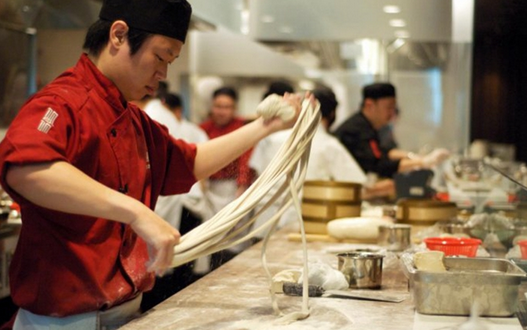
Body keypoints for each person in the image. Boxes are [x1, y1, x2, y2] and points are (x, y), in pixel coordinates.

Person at [0, 1, 305, 329]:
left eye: (170, 62)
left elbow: (190, 162)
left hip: (126, 311)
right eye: (160, 57)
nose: (163, 74)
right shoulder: (62, 102)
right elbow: (25, 169)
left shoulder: (134, 120)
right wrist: (136, 212)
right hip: (62, 321)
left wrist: (266, 127)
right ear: (119, 35)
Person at [333, 82, 450, 179]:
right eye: (389, 107)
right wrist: (423, 162)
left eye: (394, 108)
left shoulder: (369, 126)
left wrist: (414, 157)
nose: (392, 113)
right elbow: (379, 165)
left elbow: (383, 152)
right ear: (369, 105)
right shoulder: (356, 129)